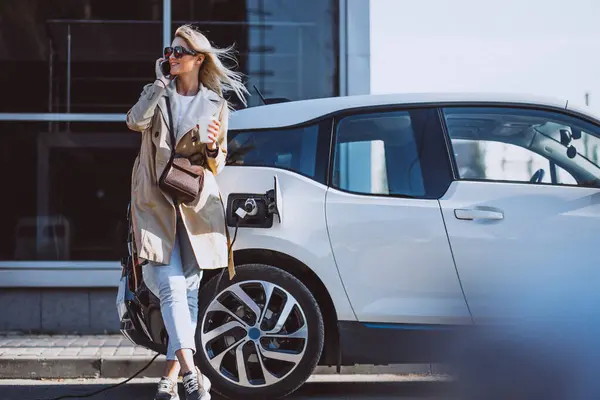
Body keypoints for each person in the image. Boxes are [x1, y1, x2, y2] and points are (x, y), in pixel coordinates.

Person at [125, 24, 248, 400]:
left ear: (198, 59)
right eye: (169, 50)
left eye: (180, 52)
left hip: (194, 204)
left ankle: (170, 378)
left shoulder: (215, 104)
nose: (172, 56)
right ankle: (193, 373)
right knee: (172, 286)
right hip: (154, 202)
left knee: (188, 292)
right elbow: (134, 121)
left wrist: (211, 147)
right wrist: (160, 84)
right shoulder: (157, 94)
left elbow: (218, 162)